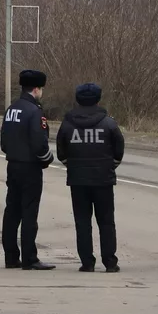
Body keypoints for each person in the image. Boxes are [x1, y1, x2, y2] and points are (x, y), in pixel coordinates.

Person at [56, 83, 125, 273]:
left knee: (82, 222)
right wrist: (110, 165)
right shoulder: (109, 123)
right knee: (106, 221)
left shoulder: (68, 123)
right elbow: (119, 149)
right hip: (103, 179)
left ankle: (87, 262)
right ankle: (110, 262)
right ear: (98, 99)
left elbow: (61, 151)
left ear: (78, 99)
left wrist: (72, 165)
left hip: (78, 180)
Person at [0, 69, 55, 271]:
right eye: (41, 89)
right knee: (29, 212)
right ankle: (30, 258)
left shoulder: (11, 109)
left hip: (12, 165)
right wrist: (47, 159)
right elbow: (40, 143)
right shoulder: (34, 112)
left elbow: (4, 141)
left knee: (12, 211)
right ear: (36, 89)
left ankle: (11, 257)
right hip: (30, 168)